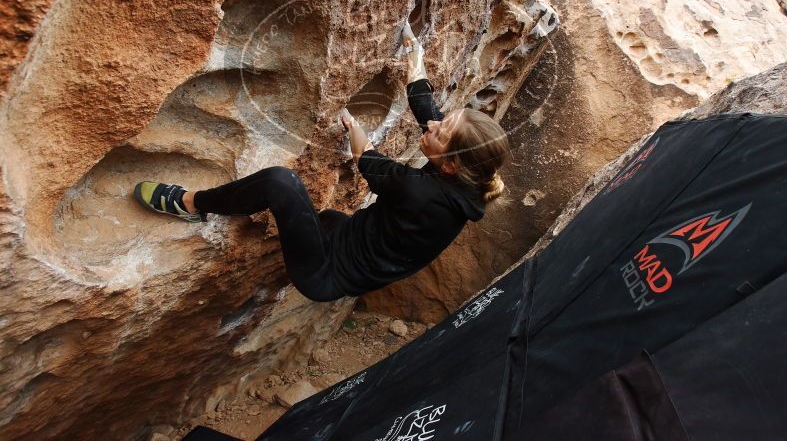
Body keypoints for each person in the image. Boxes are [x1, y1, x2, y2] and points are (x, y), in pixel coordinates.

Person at [133, 22, 510, 302]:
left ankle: (189, 204)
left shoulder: (421, 192)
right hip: (344, 236)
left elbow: (366, 156)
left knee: (280, 183)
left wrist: (349, 121)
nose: (433, 124)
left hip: (325, 273)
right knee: (326, 218)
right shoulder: (463, 183)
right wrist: (416, 59)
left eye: (441, 131)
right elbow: (428, 112)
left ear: (448, 165)